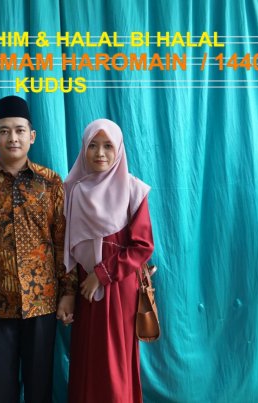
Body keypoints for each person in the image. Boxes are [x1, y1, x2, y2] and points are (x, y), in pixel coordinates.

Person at [0, 95, 77, 403]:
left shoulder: (51, 183)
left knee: (40, 386)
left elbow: (63, 242)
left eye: (20, 130)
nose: (13, 138)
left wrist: (68, 292)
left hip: (42, 302)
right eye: (4, 131)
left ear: (32, 136)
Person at [64, 119, 155, 403]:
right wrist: (73, 290)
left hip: (118, 288)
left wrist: (102, 274)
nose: (100, 153)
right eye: (93, 145)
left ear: (119, 150)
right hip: (85, 289)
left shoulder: (132, 190)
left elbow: (142, 246)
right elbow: (66, 248)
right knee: (88, 355)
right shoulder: (74, 191)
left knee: (114, 359)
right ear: (84, 149)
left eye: (108, 146)